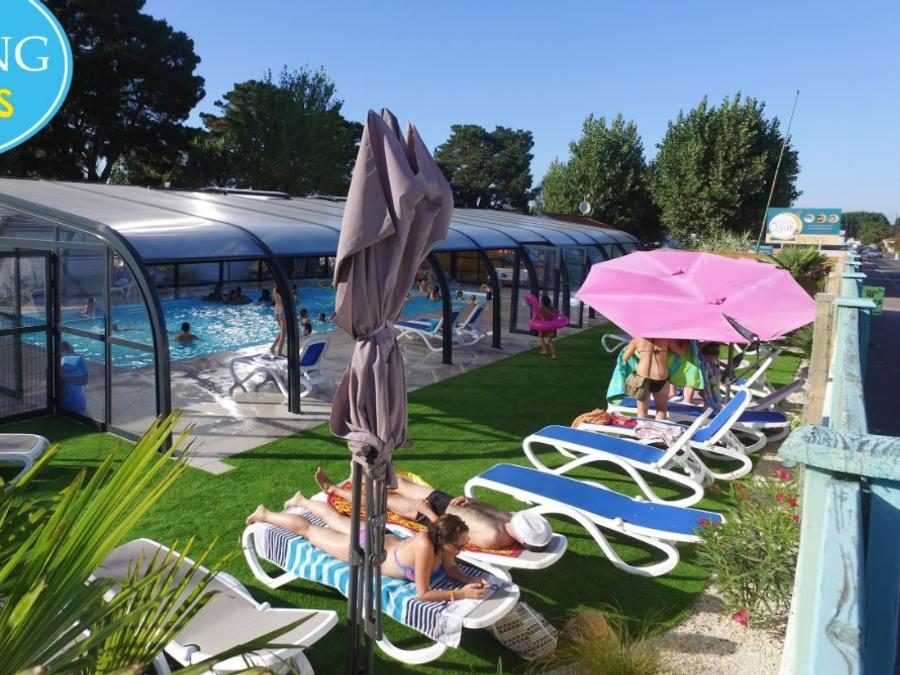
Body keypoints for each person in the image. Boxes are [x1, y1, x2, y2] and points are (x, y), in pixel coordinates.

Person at [246, 501, 489, 602]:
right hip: (364, 548)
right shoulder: (426, 546)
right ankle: (264, 514)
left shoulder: (442, 539)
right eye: (460, 546)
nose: (462, 549)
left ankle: (300, 500)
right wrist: (461, 594)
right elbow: (423, 594)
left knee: (335, 518)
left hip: (381, 538)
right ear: (446, 542)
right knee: (309, 530)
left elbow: (452, 570)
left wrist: (472, 580)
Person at [311, 468, 553, 551]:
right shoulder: (511, 521)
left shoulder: (493, 538)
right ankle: (363, 476)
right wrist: (472, 501)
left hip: (432, 515)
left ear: (520, 538)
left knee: (382, 501)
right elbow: (493, 510)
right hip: (447, 502)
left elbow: (452, 538)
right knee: (401, 483)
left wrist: (427, 512)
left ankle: (333, 489)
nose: (514, 519)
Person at [622, 337, 688, 420]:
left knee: (642, 410)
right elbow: (682, 353)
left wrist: (635, 347)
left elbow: (625, 357)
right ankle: (659, 427)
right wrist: (687, 340)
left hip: (642, 377)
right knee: (661, 409)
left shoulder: (638, 339)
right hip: (660, 377)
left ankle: (643, 427)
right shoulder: (666, 339)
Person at [60, 341, 89, 414]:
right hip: (79, 405)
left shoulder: (59, 361)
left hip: (63, 405)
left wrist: (66, 379)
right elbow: (84, 381)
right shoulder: (79, 360)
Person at [270, 287, 286, 356]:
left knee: (282, 331)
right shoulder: (283, 289)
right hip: (282, 312)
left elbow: (276, 300)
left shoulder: (274, 290)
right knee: (283, 334)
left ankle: (273, 347)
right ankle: (279, 353)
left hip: (276, 311)